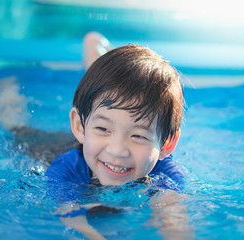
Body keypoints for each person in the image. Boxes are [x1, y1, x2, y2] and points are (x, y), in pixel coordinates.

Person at [45, 33, 192, 239]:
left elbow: (175, 223)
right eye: (104, 129)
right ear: (78, 127)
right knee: (17, 128)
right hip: (46, 147)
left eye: (138, 136)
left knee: (103, 105)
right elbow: (69, 216)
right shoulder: (66, 168)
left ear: (166, 144)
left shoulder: (166, 175)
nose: (117, 150)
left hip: (92, 135)